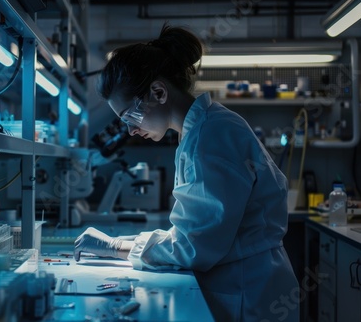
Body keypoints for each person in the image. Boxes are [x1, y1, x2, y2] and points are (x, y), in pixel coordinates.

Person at [74, 23, 299, 322]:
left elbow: (194, 247)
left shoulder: (209, 139)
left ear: (158, 92)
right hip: (244, 283)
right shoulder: (204, 129)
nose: (129, 129)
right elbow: (197, 231)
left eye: (129, 115)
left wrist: (115, 247)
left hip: (248, 293)